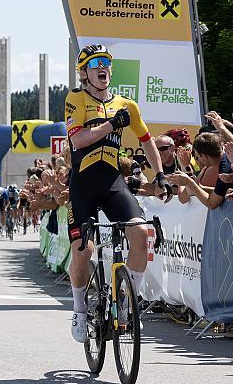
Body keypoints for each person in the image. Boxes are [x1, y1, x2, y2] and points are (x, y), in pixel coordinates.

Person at [64, 44, 172, 344]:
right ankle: (79, 309)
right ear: (84, 73)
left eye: (107, 63)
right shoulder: (76, 98)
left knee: (141, 236)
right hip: (83, 185)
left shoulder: (127, 104)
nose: (103, 68)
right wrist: (112, 124)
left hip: (113, 182)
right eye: (96, 63)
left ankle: (127, 302)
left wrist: (159, 174)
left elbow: (147, 140)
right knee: (84, 251)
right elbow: (81, 139)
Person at [168, 133, 233, 209]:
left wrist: (189, 182)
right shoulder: (222, 161)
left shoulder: (225, 170)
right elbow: (193, 191)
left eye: (197, 157)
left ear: (205, 155)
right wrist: (185, 168)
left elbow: (212, 204)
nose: (198, 160)